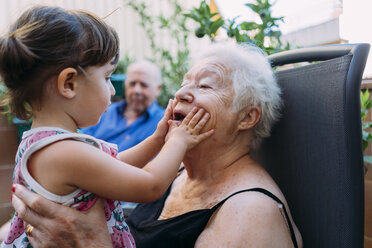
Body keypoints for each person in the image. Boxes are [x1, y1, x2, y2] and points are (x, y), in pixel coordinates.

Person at [8, 42, 304, 247]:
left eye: (205, 86)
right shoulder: (180, 175)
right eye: (185, 82)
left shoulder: (249, 211)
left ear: (247, 117)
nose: (183, 93)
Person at [0, 6, 214, 248]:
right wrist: (179, 141)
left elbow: (116, 166)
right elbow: (150, 185)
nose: (113, 90)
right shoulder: (64, 152)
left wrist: (158, 139)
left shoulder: (49, 143)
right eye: (107, 77)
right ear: (68, 84)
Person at [81, 60, 165, 152]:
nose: (136, 90)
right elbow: (81, 143)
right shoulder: (104, 112)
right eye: (132, 84)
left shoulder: (163, 123)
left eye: (144, 85)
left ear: (158, 89)